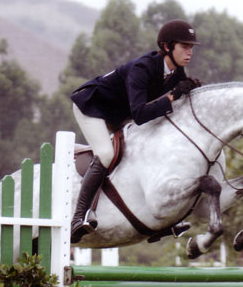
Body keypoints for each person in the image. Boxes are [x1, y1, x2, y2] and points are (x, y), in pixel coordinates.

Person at [69, 19, 201, 244]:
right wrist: (172, 96)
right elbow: (140, 114)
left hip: (120, 113)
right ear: (167, 47)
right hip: (93, 107)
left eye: (191, 47)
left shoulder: (177, 71)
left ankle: (168, 219)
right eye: (184, 47)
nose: (189, 52)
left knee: (151, 146)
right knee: (107, 154)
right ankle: (78, 217)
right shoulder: (143, 68)